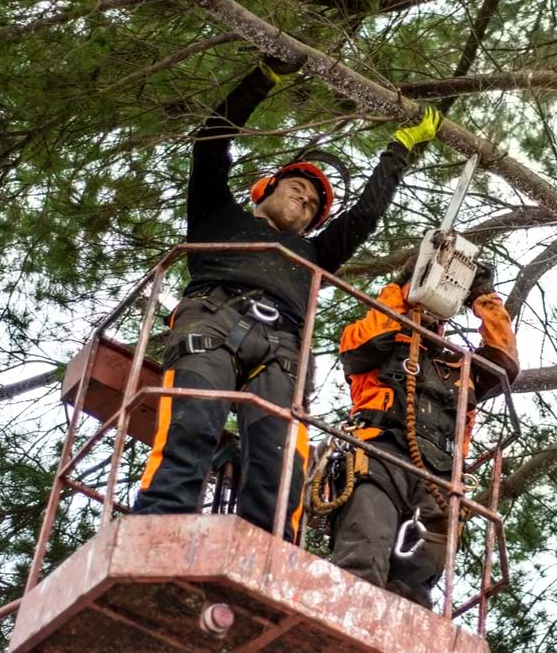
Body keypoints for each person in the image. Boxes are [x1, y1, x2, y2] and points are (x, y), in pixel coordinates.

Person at [133, 54, 442, 542]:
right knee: (192, 421)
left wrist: (398, 151)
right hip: (212, 320)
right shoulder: (217, 215)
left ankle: (267, 547)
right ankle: (155, 529)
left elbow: (363, 217)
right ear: (264, 190)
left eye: (315, 204)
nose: (307, 199)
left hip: (281, 346)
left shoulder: (315, 253)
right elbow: (211, 142)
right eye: (299, 188)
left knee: (281, 456)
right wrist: (263, 77)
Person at [328, 262, 519, 607]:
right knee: (363, 553)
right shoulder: (377, 343)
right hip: (379, 456)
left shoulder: (461, 368)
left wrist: (484, 298)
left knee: (418, 586)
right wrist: (399, 285)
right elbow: (372, 338)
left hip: (440, 479)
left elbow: (504, 361)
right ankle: (345, 621)